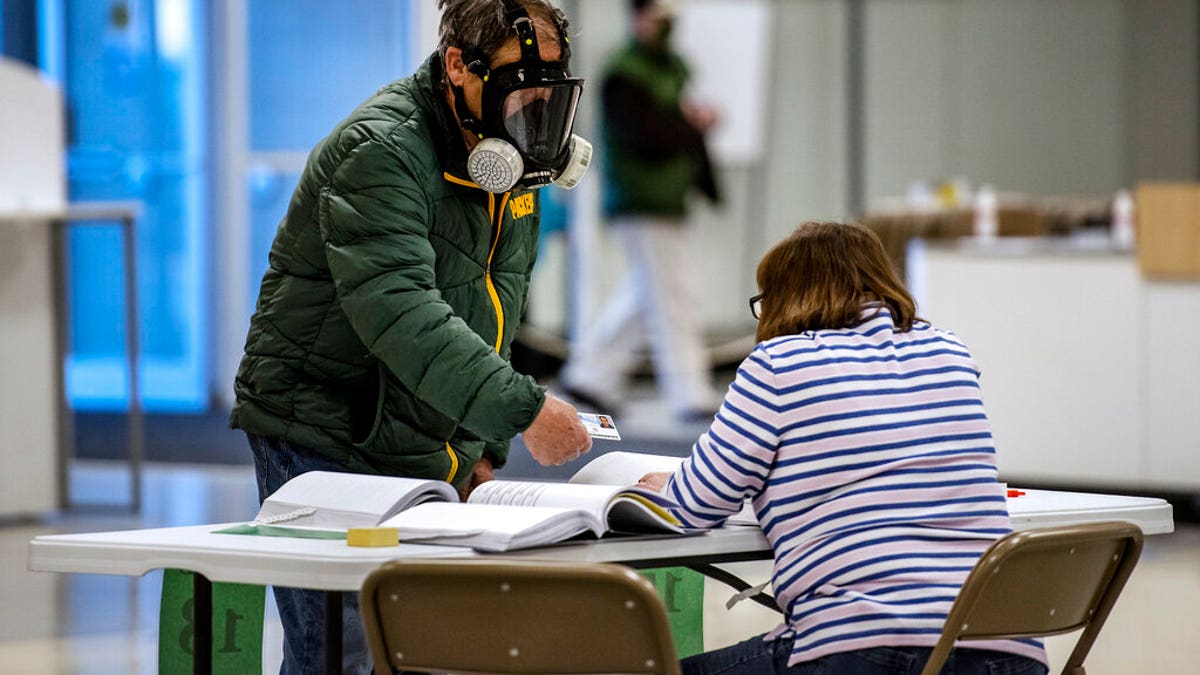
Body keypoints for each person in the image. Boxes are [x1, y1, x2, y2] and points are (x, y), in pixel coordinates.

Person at [229, 1, 593, 672]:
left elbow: (492, 310)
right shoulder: (382, 151)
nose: (535, 109)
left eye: (550, 90)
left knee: (414, 645)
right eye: (519, 87)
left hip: (411, 418)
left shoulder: (508, 163)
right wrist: (521, 410)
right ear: (457, 66)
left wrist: (478, 446)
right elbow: (405, 316)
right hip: (324, 426)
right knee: (340, 652)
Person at [638, 222, 1049, 675]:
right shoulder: (951, 353)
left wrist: (665, 488)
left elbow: (694, 506)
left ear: (784, 297)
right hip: (1007, 648)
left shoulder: (779, 364)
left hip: (864, 646)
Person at [558, 0, 723, 422]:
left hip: (666, 199)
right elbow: (643, 135)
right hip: (641, 200)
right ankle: (690, 392)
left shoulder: (670, 68)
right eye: (654, 15)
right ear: (636, 18)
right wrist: (691, 125)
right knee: (673, 296)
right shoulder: (625, 73)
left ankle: (590, 377)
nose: (661, 24)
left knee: (645, 294)